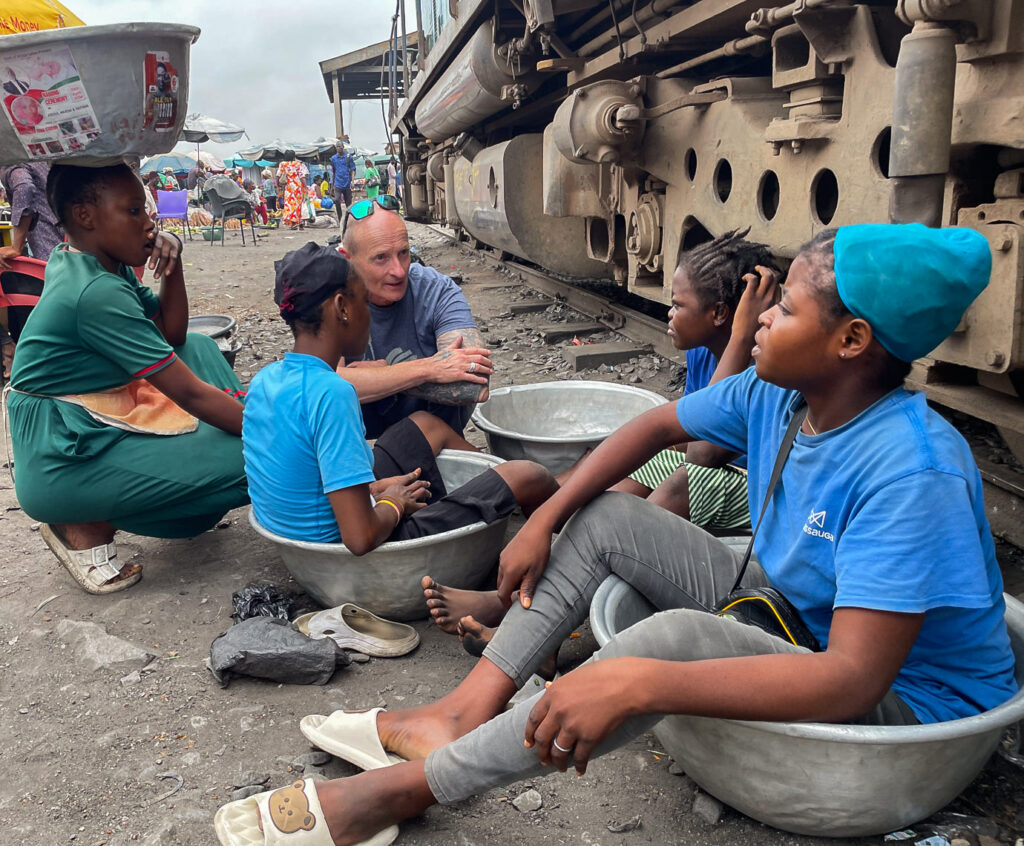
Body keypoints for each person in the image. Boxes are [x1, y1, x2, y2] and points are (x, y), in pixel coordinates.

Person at [213, 223, 1018, 846]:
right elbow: (655, 428)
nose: (762, 319)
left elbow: (851, 681)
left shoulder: (913, 470)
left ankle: (405, 792)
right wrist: (548, 521)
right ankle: (463, 711)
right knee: (603, 514)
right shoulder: (780, 393)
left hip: (905, 707)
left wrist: (642, 682)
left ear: (851, 342)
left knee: (661, 645)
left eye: (784, 309)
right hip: (791, 613)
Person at [425, 230, 780, 641]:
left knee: (677, 485)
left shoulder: (759, 355)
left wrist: (739, 338)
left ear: (720, 314)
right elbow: (686, 436)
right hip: (718, 470)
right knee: (624, 471)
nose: (669, 312)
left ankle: (522, 611)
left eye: (679, 305)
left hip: (758, 489)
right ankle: (542, 577)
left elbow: (702, 452)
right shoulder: (702, 350)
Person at [6, 163, 249, 594]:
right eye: (134, 211)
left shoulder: (92, 261)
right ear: (86, 216)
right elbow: (190, 391)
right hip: (61, 457)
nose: (149, 222)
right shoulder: (94, 293)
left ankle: (214, 445)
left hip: (79, 422)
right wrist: (280, 431)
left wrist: (172, 266)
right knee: (255, 461)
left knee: (201, 348)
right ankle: (83, 523)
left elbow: (173, 336)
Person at [243, 243, 557, 555]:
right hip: (353, 553)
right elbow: (360, 537)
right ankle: (557, 504)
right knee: (527, 475)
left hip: (311, 541)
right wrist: (394, 503)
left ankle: (503, 489)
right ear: (342, 308)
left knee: (425, 424)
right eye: (364, 302)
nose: (369, 315)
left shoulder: (265, 379)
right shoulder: (332, 393)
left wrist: (376, 491)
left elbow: (305, 479)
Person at [338, 197, 491, 439]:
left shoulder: (437, 290)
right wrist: (429, 369)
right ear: (348, 259)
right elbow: (320, 388)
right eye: (381, 258)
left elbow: (473, 385)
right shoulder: (330, 298)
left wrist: (376, 376)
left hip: (439, 445)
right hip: (359, 458)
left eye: (404, 253)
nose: (399, 271)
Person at [0, 161, 65, 378]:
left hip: (48, 255)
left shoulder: (12, 162)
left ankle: (13, 350)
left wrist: (16, 244)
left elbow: (24, 188)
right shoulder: (37, 160)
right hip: (65, 247)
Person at [329, 144, 355, 223]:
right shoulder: (333, 159)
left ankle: (348, 219)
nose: (338, 148)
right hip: (338, 183)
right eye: (337, 146)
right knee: (337, 200)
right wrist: (332, 185)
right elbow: (334, 172)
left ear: (343, 147)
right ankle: (340, 219)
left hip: (347, 183)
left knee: (348, 203)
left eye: (340, 146)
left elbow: (352, 170)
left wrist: (352, 181)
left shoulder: (348, 157)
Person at [278, 159, 308, 230]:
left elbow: (278, 175)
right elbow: (302, 176)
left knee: (290, 205)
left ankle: (293, 223)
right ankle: (300, 223)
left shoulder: (283, 164)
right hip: (298, 187)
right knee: (299, 205)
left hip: (289, 188)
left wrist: (278, 185)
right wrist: (305, 186)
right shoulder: (298, 164)